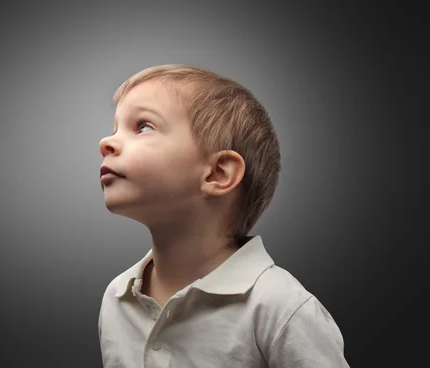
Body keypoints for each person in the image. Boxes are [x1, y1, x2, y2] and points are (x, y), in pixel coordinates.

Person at [97, 64, 349, 367]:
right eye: (115, 128)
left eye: (143, 126)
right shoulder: (116, 299)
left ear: (218, 174)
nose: (106, 143)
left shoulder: (280, 308)